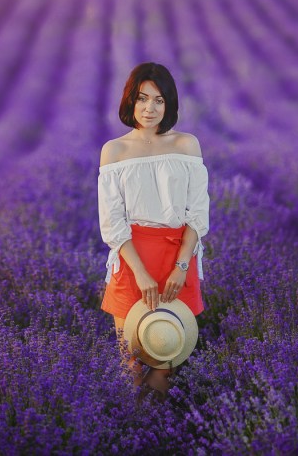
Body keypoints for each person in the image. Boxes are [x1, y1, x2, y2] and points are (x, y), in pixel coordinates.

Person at [98, 61, 209, 398]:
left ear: (169, 104)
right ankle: (128, 430)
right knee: (129, 362)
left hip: (179, 258)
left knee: (166, 362)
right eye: (142, 98)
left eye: (159, 100)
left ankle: (158, 433)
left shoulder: (187, 145)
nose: (149, 108)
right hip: (133, 260)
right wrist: (141, 274)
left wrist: (182, 265)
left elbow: (197, 213)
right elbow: (113, 222)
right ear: (130, 100)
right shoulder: (114, 151)